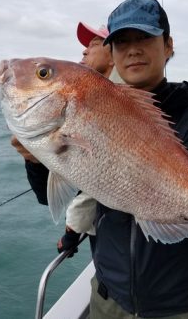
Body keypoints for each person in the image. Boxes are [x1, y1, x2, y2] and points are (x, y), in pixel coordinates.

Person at [22, 0, 188, 318]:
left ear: (168, 45)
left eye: (144, 37)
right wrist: (36, 159)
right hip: (108, 295)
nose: (132, 49)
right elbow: (53, 192)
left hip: (180, 304)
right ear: (113, 54)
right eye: (121, 42)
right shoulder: (96, 108)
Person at [11, 21, 121, 254]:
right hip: (107, 261)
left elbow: (91, 191)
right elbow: (46, 194)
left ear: (114, 55)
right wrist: (35, 160)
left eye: (94, 44)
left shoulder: (120, 106)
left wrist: (71, 232)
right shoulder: (82, 105)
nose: (84, 50)